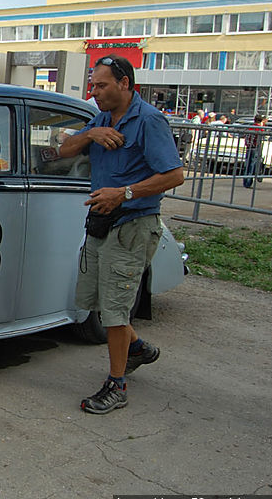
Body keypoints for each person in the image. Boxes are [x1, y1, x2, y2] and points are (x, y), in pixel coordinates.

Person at [58, 54, 183, 415]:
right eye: (92, 85)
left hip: (132, 225)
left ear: (125, 83)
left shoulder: (148, 121)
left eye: (101, 85)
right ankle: (138, 349)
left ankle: (117, 385)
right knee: (98, 299)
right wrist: (90, 133)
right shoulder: (101, 119)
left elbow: (174, 175)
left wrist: (124, 193)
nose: (94, 91)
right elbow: (63, 151)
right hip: (101, 223)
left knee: (114, 309)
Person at [243, 114, 266, 189]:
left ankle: (245, 181)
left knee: (247, 164)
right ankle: (249, 181)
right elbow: (263, 134)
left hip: (249, 147)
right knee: (252, 165)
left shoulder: (250, 127)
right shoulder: (259, 128)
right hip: (255, 147)